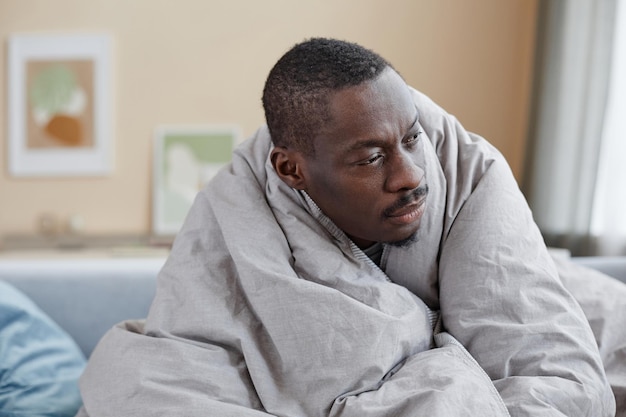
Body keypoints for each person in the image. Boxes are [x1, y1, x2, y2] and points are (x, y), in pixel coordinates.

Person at [76, 38, 625, 416]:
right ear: (291, 169)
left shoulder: (466, 164)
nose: (411, 176)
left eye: (411, 138)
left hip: (533, 304)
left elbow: (542, 352)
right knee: (128, 379)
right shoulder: (233, 206)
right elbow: (190, 347)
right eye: (370, 159)